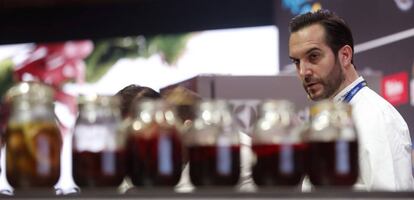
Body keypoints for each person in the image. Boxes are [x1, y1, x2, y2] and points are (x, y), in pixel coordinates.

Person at [288, 9, 414, 190]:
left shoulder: (374, 116)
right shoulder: (328, 121)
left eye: (313, 56)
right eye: (297, 62)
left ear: (345, 56)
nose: (303, 72)